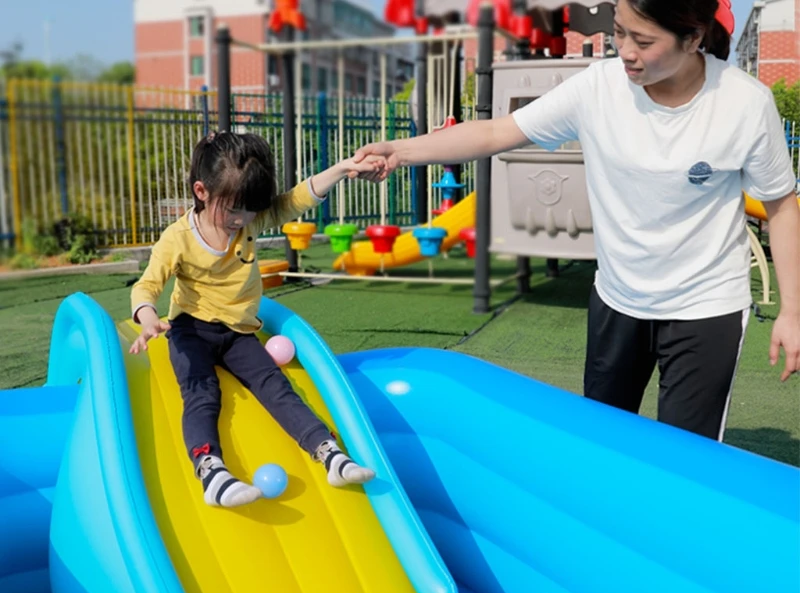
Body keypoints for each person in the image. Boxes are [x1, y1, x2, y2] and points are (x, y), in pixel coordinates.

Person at [354, 0, 800, 441]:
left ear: (694, 38)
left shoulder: (743, 103)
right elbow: (497, 131)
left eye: (643, 41)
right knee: (601, 439)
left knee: (690, 458)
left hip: (707, 306)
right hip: (618, 297)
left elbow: (781, 208)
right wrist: (401, 151)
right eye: (620, 33)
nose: (626, 50)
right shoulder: (598, 87)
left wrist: (793, 311)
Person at [130, 131, 384, 507]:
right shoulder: (177, 238)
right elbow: (146, 286)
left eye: (250, 211)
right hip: (190, 330)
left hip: (239, 333)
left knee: (276, 387)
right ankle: (211, 472)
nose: (243, 219)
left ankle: (329, 453)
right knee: (201, 394)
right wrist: (148, 316)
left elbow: (296, 199)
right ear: (202, 192)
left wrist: (343, 169)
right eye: (234, 210)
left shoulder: (248, 218)